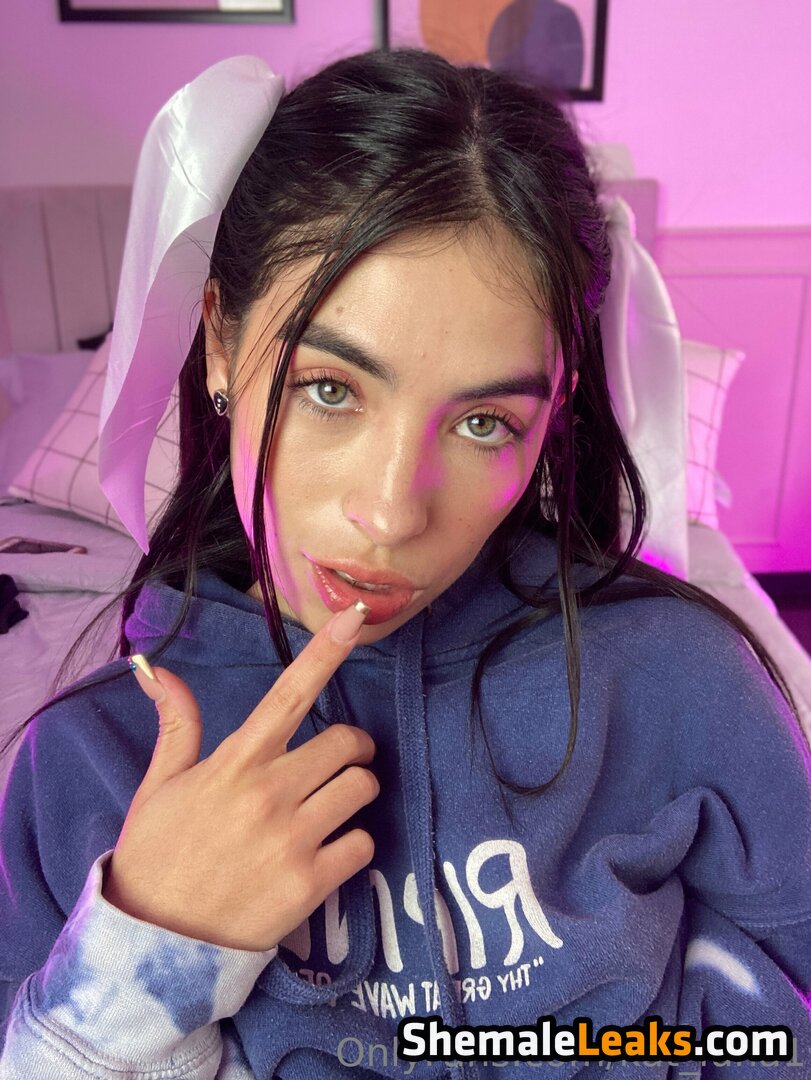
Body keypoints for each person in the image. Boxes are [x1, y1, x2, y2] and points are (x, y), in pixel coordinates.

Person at [0, 47, 809, 1080]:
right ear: (220, 342)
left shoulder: (680, 679)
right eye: (329, 389)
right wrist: (147, 953)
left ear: (550, 416)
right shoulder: (90, 760)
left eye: (482, 422)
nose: (390, 514)